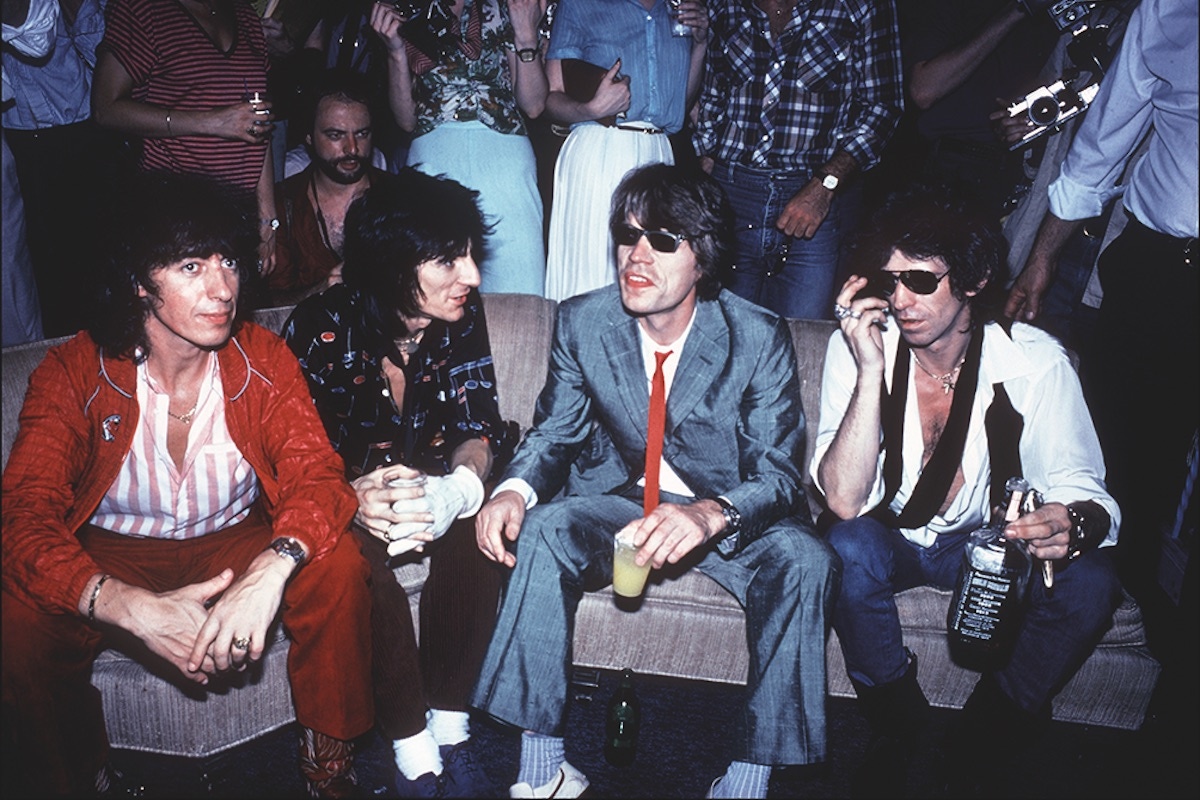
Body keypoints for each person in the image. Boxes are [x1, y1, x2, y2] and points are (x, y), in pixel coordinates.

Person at [0, 171, 373, 798]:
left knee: (337, 563)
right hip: (111, 550)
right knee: (16, 617)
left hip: (231, 542)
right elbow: (22, 516)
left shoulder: (262, 357)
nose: (223, 287)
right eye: (191, 267)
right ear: (139, 282)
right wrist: (124, 604)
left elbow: (319, 478)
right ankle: (69, 773)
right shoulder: (71, 371)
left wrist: (269, 571)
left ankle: (329, 764)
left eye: (228, 261)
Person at [471, 163, 838, 799]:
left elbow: (778, 473)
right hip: (621, 500)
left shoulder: (756, 335)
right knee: (546, 527)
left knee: (807, 560)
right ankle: (542, 770)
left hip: (725, 509)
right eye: (626, 235)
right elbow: (555, 433)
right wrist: (513, 489)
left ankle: (747, 780)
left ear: (705, 258)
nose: (635, 257)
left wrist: (710, 513)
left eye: (663, 240)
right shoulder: (585, 322)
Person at [811, 182, 1122, 796]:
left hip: (984, 545)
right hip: (891, 538)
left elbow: (1087, 489)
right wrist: (870, 371)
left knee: (1094, 583)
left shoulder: (1034, 362)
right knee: (845, 545)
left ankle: (991, 728)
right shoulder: (861, 347)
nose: (899, 299)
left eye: (920, 281)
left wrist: (1069, 522)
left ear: (975, 281)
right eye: (890, 280)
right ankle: (897, 722)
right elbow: (843, 501)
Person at [283, 171, 518, 797]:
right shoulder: (316, 329)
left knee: (482, 525)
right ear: (391, 265)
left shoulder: (459, 317)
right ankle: (411, 746)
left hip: (429, 489)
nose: (470, 275)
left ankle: (450, 727)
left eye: (470, 252)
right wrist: (355, 500)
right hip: (343, 501)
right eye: (448, 259)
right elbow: (293, 462)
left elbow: (478, 423)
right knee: (348, 559)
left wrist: (460, 490)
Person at [1003, 0, 1197, 600]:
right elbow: (1098, 149)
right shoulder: (1169, 12)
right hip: (1159, 269)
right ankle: (1095, 621)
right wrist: (1041, 258)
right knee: (1117, 457)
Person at [693, 0, 904, 320]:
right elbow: (712, 95)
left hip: (812, 199)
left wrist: (825, 185)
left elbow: (883, 107)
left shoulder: (862, 6)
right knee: (723, 333)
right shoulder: (724, 5)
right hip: (730, 194)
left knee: (801, 336)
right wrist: (705, 176)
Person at [370, 0, 549, 296]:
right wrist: (394, 51)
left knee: (520, 289)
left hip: (505, 156)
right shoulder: (407, 7)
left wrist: (526, 34)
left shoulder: (510, 4)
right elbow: (405, 119)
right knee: (430, 286)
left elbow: (533, 105)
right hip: (433, 155)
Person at [92, 0, 280, 277]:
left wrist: (267, 218)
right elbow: (105, 108)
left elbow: (257, 124)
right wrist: (212, 121)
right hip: (174, 208)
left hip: (237, 212)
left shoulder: (244, 14)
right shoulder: (146, 9)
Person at [541, 0, 708, 302]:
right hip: (601, 147)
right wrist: (590, 109)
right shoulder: (579, 5)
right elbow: (552, 100)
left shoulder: (677, 8)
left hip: (659, 152)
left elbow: (678, 104)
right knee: (592, 277)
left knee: (657, 281)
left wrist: (700, 44)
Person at [3, 0, 117, 338]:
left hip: (82, 131)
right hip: (20, 139)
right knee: (44, 277)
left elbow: (108, 53)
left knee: (99, 270)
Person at [268, 68, 395, 302]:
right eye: (335, 135)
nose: (352, 149)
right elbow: (268, 304)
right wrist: (319, 291)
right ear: (309, 136)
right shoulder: (281, 203)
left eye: (362, 134)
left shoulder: (400, 197)